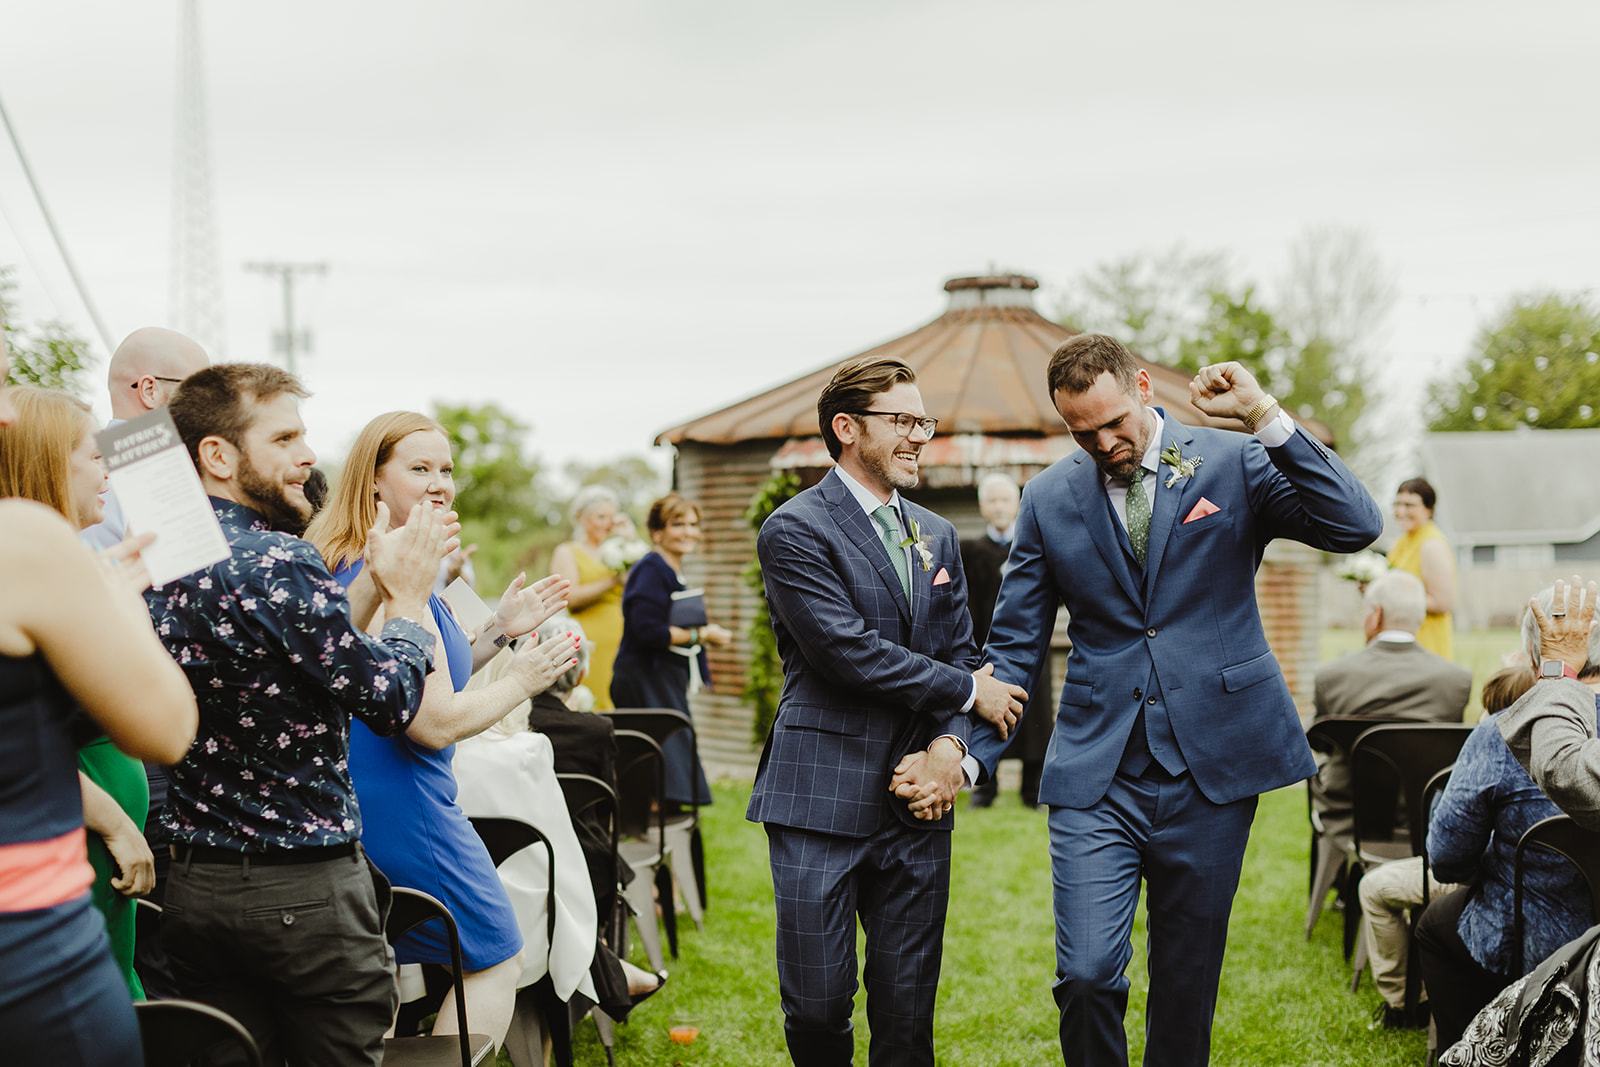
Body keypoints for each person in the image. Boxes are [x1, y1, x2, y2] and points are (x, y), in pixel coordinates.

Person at [955, 335, 1382, 1067]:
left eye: (1113, 421)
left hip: (1212, 764)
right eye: (1081, 431)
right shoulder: (1049, 497)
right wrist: (965, 753)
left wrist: (1265, 416)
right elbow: (1015, 643)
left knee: (1186, 984)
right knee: (1086, 974)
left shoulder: (1234, 461)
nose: (1103, 442)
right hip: (1098, 769)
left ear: (1144, 386)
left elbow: (1355, 524)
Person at [149, 363, 457, 1066]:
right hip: (300, 888)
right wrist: (408, 600)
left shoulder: (164, 555)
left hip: (196, 884)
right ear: (218, 455)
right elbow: (387, 699)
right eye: (284, 437)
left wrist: (372, 590)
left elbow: (296, 664)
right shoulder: (277, 558)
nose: (308, 455)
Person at [747, 356, 1026, 1066]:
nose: (918, 436)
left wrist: (945, 753)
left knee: (906, 1014)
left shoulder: (935, 533)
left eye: (922, 422)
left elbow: (963, 650)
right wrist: (969, 694)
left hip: (919, 801)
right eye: (901, 421)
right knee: (816, 1007)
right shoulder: (795, 529)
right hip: (819, 795)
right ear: (846, 428)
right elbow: (847, 652)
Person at [304, 410, 575, 1049]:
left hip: (362, 802)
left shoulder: (394, 572)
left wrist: (501, 630)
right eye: (419, 468)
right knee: (493, 955)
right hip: (409, 804)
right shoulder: (385, 580)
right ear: (373, 482)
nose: (439, 484)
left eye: (445, 469)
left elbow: (429, 673)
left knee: (382, 973)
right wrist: (523, 679)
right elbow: (432, 722)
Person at [0, 335, 198, 1064]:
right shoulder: (24, 541)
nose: (7, 412)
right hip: (30, 935)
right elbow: (167, 726)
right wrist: (122, 613)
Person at [1415, 583, 1600, 1051]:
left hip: (1538, 942)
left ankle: (1472, 1051)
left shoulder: (1501, 731)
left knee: (1436, 924)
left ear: (1533, 659)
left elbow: (1448, 859)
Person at [459, 615, 665, 1023]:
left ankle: (621, 976)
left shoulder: (472, 745)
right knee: (575, 888)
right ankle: (614, 977)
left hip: (483, 869)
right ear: (582, 672)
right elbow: (607, 808)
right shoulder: (561, 737)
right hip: (563, 866)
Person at [1354, 664, 1529, 1030]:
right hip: (1542, 885)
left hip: (1480, 879)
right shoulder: (1565, 749)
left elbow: (1446, 852)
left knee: (1374, 887)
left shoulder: (1486, 752)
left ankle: (1405, 1003)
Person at [1310, 570, 1472, 852]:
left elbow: (1318, 740)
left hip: (1348, 815)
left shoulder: (1331, 676)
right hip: (1420, 815)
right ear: (1419, 617)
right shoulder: (1455, 680)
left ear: (1375, 614)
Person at [611, 493, 731, 810]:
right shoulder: (649, 570)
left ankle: (670, 837)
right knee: (658, 773)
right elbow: (648, 632)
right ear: (657, 532)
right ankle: (650, 842)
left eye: (693, 524)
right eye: (678, 524)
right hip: (644, 680)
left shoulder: (669, 570)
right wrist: (702, 634)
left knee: (671, 768)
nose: (689, 531)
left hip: (663, 679)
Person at [961, 472, 1048, 810]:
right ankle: (985, 789)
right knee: (984, 716)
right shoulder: (969, 551)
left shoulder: (1029, 546)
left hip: (1030, 645)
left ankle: (1032, 791)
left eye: (1005, 500)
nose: (998, 507)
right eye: (992, 500)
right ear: (983, 507)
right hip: (985, 650)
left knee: (1035, 718)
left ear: (1017, 505)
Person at [81, 326, 211, 551]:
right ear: (150, 390)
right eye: (200, 392)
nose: (209, 406)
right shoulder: (163, 477)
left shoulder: (74, 469)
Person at [550, 487, 626, 709]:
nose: (608, 524)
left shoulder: (618, 550)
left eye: (612, 517)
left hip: (622, 644)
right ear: (581, 517)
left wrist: (628, 539)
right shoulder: (568, 551)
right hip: (590, 642)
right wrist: (612, 581)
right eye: (601, 517)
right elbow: (570, 597)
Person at [1388, 476, 1456, 660]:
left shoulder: (1432, 545)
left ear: (1428, 509)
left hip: (1426, 644)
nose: (1401, 511)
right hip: (1400, 641)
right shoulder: (1399, 543)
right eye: (1397, 504)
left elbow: (1442, 603)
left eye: (1409, 505)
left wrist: (1392, 598)